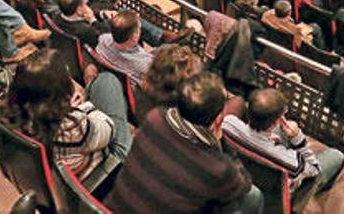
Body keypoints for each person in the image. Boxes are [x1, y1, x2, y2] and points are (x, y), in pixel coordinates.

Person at [105, 72, 262, 213]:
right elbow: (243, 184)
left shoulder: (155, 117)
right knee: (254, 196)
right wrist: (220, 140)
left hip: (107, 209)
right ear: (219, 119)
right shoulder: (217, 168)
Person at [0, 49, 131, 184]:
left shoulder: (13, 115)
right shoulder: (73, 127)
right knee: (108, 81)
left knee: (101, 83)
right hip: (101, 172)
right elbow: (109, 129)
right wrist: (82, 108)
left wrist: (66, 109)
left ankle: (91, 82)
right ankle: (91, 82)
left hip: (62, 169)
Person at [223, 88, 344, 209]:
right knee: (337, 155)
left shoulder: (227, 123)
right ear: (276, 122)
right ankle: (312, 196)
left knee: (279, 136)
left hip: (245, 179)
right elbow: (314, 171)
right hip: (277, 204)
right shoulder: (293, 163)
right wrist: (298, 139)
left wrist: (270, 139)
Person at [54, 0, 190, 48]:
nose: (88, 4)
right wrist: (94, 20)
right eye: (85, 3)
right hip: (112, 40)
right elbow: (105, 37)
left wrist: (102, 13)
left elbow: (89, 13)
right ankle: (162, 36)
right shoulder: (85, 30)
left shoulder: (59, 17)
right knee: (130, 18)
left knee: (123, 12)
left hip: (101, 29)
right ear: (79, 10)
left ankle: (159, 33)